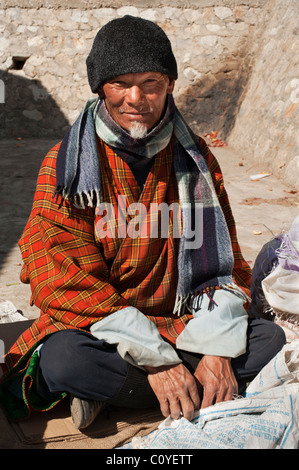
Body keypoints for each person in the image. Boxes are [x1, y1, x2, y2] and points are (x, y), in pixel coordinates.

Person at [0, 15, 286, 430]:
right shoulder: (69, 167)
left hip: (178, 320)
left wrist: (217, 351)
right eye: (120, 84)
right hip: (102, 325)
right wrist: (154, 360)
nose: (136, 97)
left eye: (151, 82)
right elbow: (64, 281)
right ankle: (170, 386)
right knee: (66, 359)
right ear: (101, 87)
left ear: (169, 84)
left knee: (269, 341)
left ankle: (119, 395)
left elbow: (223, 273)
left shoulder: (196, 160)